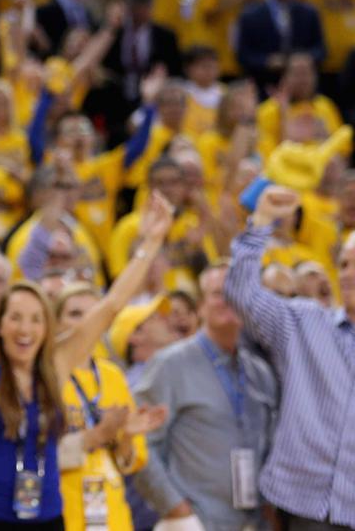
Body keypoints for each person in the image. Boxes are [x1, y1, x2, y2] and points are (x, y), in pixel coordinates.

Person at [0, 182, 172, 530]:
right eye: (15, 317)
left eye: (35, 319)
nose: (25, 329)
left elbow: (111, 305)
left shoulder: (56, 365)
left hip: (49, 517)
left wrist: (152, 241)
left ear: (48, 327)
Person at [224, 186, 355, 530]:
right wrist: (262, 221)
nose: (348, 273)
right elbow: (242, 293)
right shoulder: (305, 320)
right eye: (343, 263)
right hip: (300, 503)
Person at [132, 262, 277, 531]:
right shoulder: (170, 365)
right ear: (200, 306)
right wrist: (176, 509)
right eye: (219, 293)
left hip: (252, 523)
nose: (230, 300)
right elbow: (139, 443)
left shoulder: (261, 373)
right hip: (197, 522)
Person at [53, 282, 165, 531]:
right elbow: (39, 450)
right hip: (61, 511)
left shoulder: (112, 375)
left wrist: (127, 436)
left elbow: (126, 464)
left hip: (112, 514)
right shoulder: (48, 374)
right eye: (75, 314)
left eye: (95, 314)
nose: (87, 323)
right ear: (55, 322)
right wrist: (97, 435)